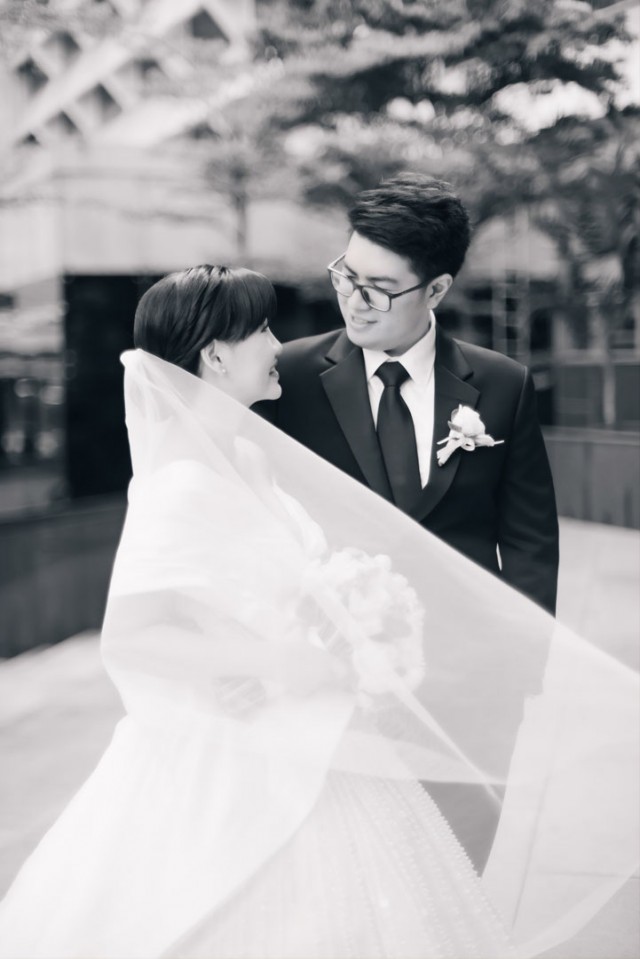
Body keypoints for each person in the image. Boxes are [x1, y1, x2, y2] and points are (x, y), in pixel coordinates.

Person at [0, 266, 636, 959]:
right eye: (262, 329)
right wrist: (279, 661)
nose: (279, 343)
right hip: (238, 756)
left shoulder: (248, 456)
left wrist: (355, 624)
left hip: (317, 732)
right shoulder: (181, 484)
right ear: (216, 356)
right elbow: (134, 638)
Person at [262, 173, 559, 615]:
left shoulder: (504, 384)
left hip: (468, 643)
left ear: (436, 289)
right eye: (347, 277)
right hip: (333, 641)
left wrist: (521, 654)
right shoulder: (285, 376)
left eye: (379, 290)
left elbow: (529, 543)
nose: (355, 303)